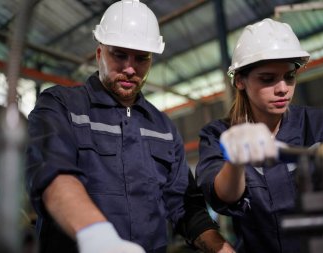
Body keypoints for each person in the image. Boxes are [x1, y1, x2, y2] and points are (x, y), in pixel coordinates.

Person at [25, 1, 234, 253]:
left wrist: (221, 248)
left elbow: (185, 206)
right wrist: (96, 236)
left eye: (142, 58)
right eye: (119, 55)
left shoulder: (163, 127)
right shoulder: (61, 106)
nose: (130, 69)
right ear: (99, 53)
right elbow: (53, 175)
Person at [195, 18, 323, 253]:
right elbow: (224, 196)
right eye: (267, 79)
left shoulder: (319, 125)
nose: (282, 88)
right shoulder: (218, 135)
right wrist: (235, 161)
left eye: (289, 76)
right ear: (240, 80)